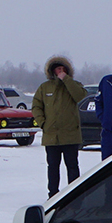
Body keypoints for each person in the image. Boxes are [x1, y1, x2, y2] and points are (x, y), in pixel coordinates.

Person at [33, 55, 86, 197]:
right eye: (58, 69)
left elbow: (80, 96)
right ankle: (53, 195)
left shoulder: (73, 85)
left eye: (63, 69)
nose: (60, 71)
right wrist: (42, 123)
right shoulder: (44, 88)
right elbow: (36, 106)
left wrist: (66, 80)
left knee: (72, 167)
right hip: (51, 136)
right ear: (52, 71)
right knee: (53, 168)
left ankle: (74, 196)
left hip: (70, 136)